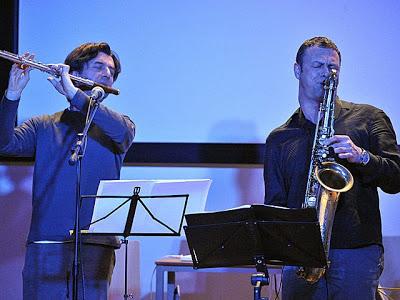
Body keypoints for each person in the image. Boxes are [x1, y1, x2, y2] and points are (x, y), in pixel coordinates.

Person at [263, 36, 400, 299]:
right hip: (300, 258)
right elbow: (275, 204)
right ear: (297, 70)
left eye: (333, 67)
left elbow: (397, 178)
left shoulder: (369, 117)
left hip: (356, 252)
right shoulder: (279, 138)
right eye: (318, 66)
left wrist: (362, 157)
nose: (328, 74)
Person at [0, 42, 135, 299]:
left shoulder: (120, 125)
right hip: (47, 244)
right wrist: (12, 95)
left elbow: (123, 134)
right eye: (98, 67)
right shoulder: (43, 125)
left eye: (111, 71)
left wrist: (75, 94)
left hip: (96, 244)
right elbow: (4, 143)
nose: (107, 74)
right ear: (75, 71)